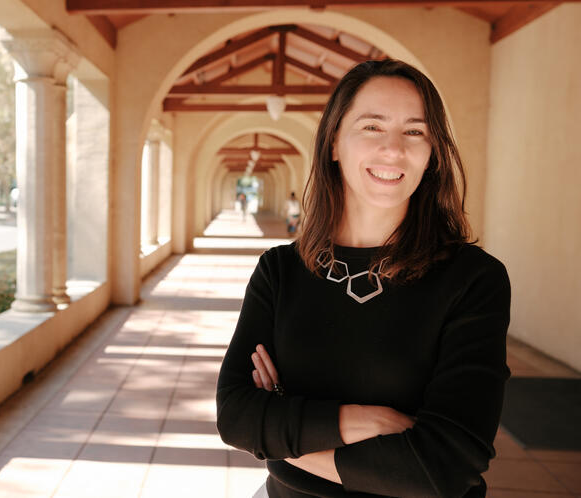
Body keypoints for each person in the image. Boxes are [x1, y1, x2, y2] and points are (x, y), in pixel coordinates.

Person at [216, 59, 510, 498]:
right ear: (334, 142)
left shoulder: (473, 280)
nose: (394, 149)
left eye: (415, 131)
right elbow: (236, 417)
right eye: (372, 127)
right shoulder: (280, 271)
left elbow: (444, 467)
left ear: (432, 154)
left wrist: (280, 438)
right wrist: (361, 420)